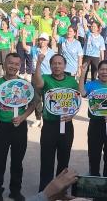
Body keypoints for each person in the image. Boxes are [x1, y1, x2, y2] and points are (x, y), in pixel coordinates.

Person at [0, 53, 35, 201]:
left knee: (17, 161)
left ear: (20, 66)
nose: (13, 66)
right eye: (10, 63)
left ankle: (15, 191)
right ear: (5, 64)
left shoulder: (24, 84)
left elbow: (33, 104)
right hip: (2, 126)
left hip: (19, 126)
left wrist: (23, 117)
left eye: (16, 64)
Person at [33, 53, 79, 191]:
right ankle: (44, 192)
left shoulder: (72, 81)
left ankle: (61, 191)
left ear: (64, 65)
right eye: (54, 63)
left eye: (60, 63)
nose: (57, 66)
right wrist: (39, 63)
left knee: (64, 161)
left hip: (67, 125)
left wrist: (72, 115)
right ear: (50, 65)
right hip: (49, 126)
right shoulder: (46, 78)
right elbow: (38, 83)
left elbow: (76, 101)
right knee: (47, 161)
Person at [78, 60, 107, 177]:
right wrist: (83, 73)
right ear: (98, 71)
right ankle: (94, 179)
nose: (105, 72)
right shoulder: (92, 84)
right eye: (102, 69)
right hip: (95, 124)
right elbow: (82, 92)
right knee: (94, 155)